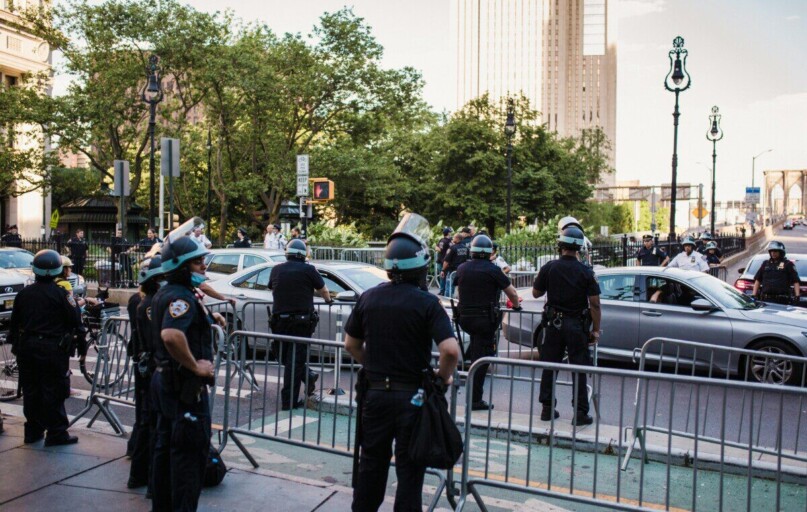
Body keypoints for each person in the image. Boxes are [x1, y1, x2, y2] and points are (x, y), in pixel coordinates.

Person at [344, 215, 460, 512]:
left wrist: (373, 366)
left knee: (371, 465)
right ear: (420, 266)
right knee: (410, 470)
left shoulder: (368, 298)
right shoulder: (427, 303)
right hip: (413, 399)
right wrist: (441, 378)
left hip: (376, 396)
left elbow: (351, 344)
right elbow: (450, 350)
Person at [150, 231, 225, 511]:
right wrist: (196, 365)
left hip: (167, 381)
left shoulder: (169, 293)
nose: (203, 265)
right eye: (197, 262)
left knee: (165, 452)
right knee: (188, 460)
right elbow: (171, 335)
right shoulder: (179, 297)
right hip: (183, 387)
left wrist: (209, 314)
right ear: (181, 267)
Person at [8, 249, 81, 445]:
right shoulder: (61, 294)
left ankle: (33, 431)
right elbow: (75, 318)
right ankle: (56, 432)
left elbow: (14, 324)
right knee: (54, 390)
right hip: (52, 348)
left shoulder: (23, 294)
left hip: (28, 347)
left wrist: (17, 345)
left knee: (31, 390)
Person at [532, 226, 601, 426]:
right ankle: (580, 413)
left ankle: (546, 409)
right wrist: (595, 330)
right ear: (579, 248)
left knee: (549, 366)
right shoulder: (586, 271)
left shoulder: (549, 267)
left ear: (560, 245)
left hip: (553, 325)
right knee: (578, 368)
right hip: (576, 326)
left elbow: (536, 293)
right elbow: (595, 304)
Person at [455, 235, 520, 411]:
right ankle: (475, 400)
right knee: (482, 359)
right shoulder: (493, 270)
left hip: (465, 319)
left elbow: (456, 288)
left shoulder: (462, 268)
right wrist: (516, 306)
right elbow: (512, 293)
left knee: (477, 354)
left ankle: (472, 394)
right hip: (485, 321)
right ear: (489, 252)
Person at [268, 238, 332, 410]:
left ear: (287, 254)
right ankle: (291, 399)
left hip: (279, 322)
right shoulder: (309, 269)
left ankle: (295, 391)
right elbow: (324, 290)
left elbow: (271, 287)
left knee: (286, 358)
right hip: (300, 323)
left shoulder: (276, 269)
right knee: (294, 362)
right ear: (304, 255)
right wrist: (328, 301)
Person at [127, 256, 164, 492]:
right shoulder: (151, 304)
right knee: (151, 421)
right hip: (151, 366)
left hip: (144, 363)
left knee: (145, 419)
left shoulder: (140, 300)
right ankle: (146, 476)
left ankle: (140, 472)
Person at [752, 241, 800, 306]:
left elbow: (796, 281)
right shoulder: (765, 264)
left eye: (775, 251)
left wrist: (797, 296)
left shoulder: (788, 264)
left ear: (781, 252)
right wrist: (754, 295)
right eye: (771, 251)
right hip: (766, 300)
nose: (773, 253)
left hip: (782, 300)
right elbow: (758, 280)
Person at [441, 230, 471, 295]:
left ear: (457, 239)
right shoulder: (466, 248)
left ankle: (448, 300)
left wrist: (443, 270)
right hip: (463, 271)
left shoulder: (452, 248)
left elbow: (446, 261)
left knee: (449, 287)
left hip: (453, 271)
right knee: (461, 287)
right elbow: (468, 260)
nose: (452, 238)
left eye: (454, 237)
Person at [434, 227, 453, 295]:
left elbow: (436, 248)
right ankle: (444, 292)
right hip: (445, 261)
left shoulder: (441, 240)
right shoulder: (449, 241)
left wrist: (439, 249)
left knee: (442, 276)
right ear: (448, 233)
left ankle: (442, 290)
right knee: (446, 277)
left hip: (440, 260)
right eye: (450, 232)